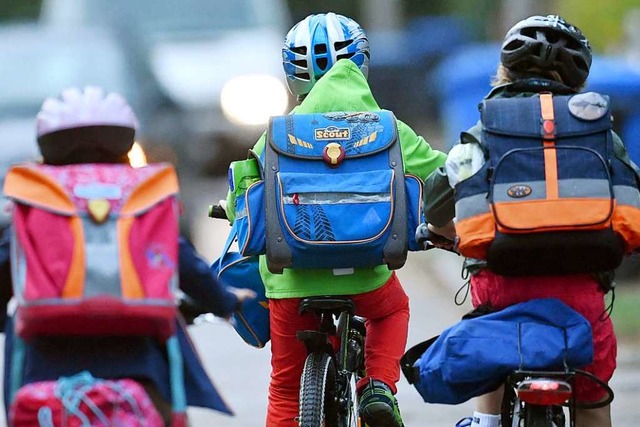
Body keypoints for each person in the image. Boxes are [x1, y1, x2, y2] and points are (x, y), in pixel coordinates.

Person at [223, 12, 446, 427]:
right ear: (361, 63)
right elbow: (443, 176)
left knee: (286, 390)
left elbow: (243, 194)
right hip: (367, 278)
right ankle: (378, 386)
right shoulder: (388, 129)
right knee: (392, 310)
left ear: (294, 76)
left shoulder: (277, 134)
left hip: (290, 284)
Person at [422, 15, 637, 427]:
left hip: (503, 289)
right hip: (582, 297)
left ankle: (486, 421)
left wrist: (441, 231)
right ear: (577, 78)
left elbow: (437, 199)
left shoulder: (485, 129)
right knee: (593, 399)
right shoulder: (600, 134)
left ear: (504, 71)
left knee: (491, 345)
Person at [0, 86, 256, 426]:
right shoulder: (141, 194)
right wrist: (224, 300)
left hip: (44, 366)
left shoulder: (32, 197)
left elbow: (6, 266)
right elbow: (180, 259)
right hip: (140, 366)